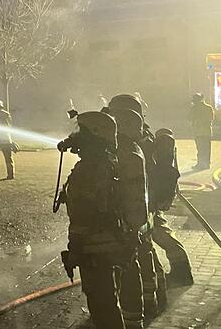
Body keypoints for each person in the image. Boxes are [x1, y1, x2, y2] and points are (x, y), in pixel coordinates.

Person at [57, 111, 131, 328]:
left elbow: (85, 216)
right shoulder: (104, 161)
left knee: (102, 304)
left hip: (95, 249)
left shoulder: (90, 169)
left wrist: (75, 251)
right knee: (108, 298)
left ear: (95, 135)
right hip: (107, 245)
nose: (76, 136)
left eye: (82, 131)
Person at [108, 94, 163, 320]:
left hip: (134, 210)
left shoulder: (132, 143)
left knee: (134, 259)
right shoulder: (142, 136)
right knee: (145, 253)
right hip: (142, 207)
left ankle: (138, 311)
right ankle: (150, 301)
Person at [110, 108, 150, 328]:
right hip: (131, 222)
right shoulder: (131, 149)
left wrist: (131, 227)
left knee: (127, 267)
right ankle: (135, 315)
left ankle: (133, 318)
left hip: (126, 223)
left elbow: (131, 194)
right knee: (131, 265)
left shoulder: (127, 153)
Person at [151, 128, 193, 287]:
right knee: (159, 231)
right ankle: (180, 272)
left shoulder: (158, 145)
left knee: (158, 233)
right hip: (155, 195)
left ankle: (180, 273)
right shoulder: (163, 146)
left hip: (152, 197)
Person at [188, 93, 214, 170]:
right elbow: (211, 119)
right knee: (207, 148)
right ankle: (206, 164)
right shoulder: (209, 108)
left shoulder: (194, 109)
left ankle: (200, 164)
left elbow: (189, 118)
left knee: (200, 149)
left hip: (198, 132)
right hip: (207, 131)